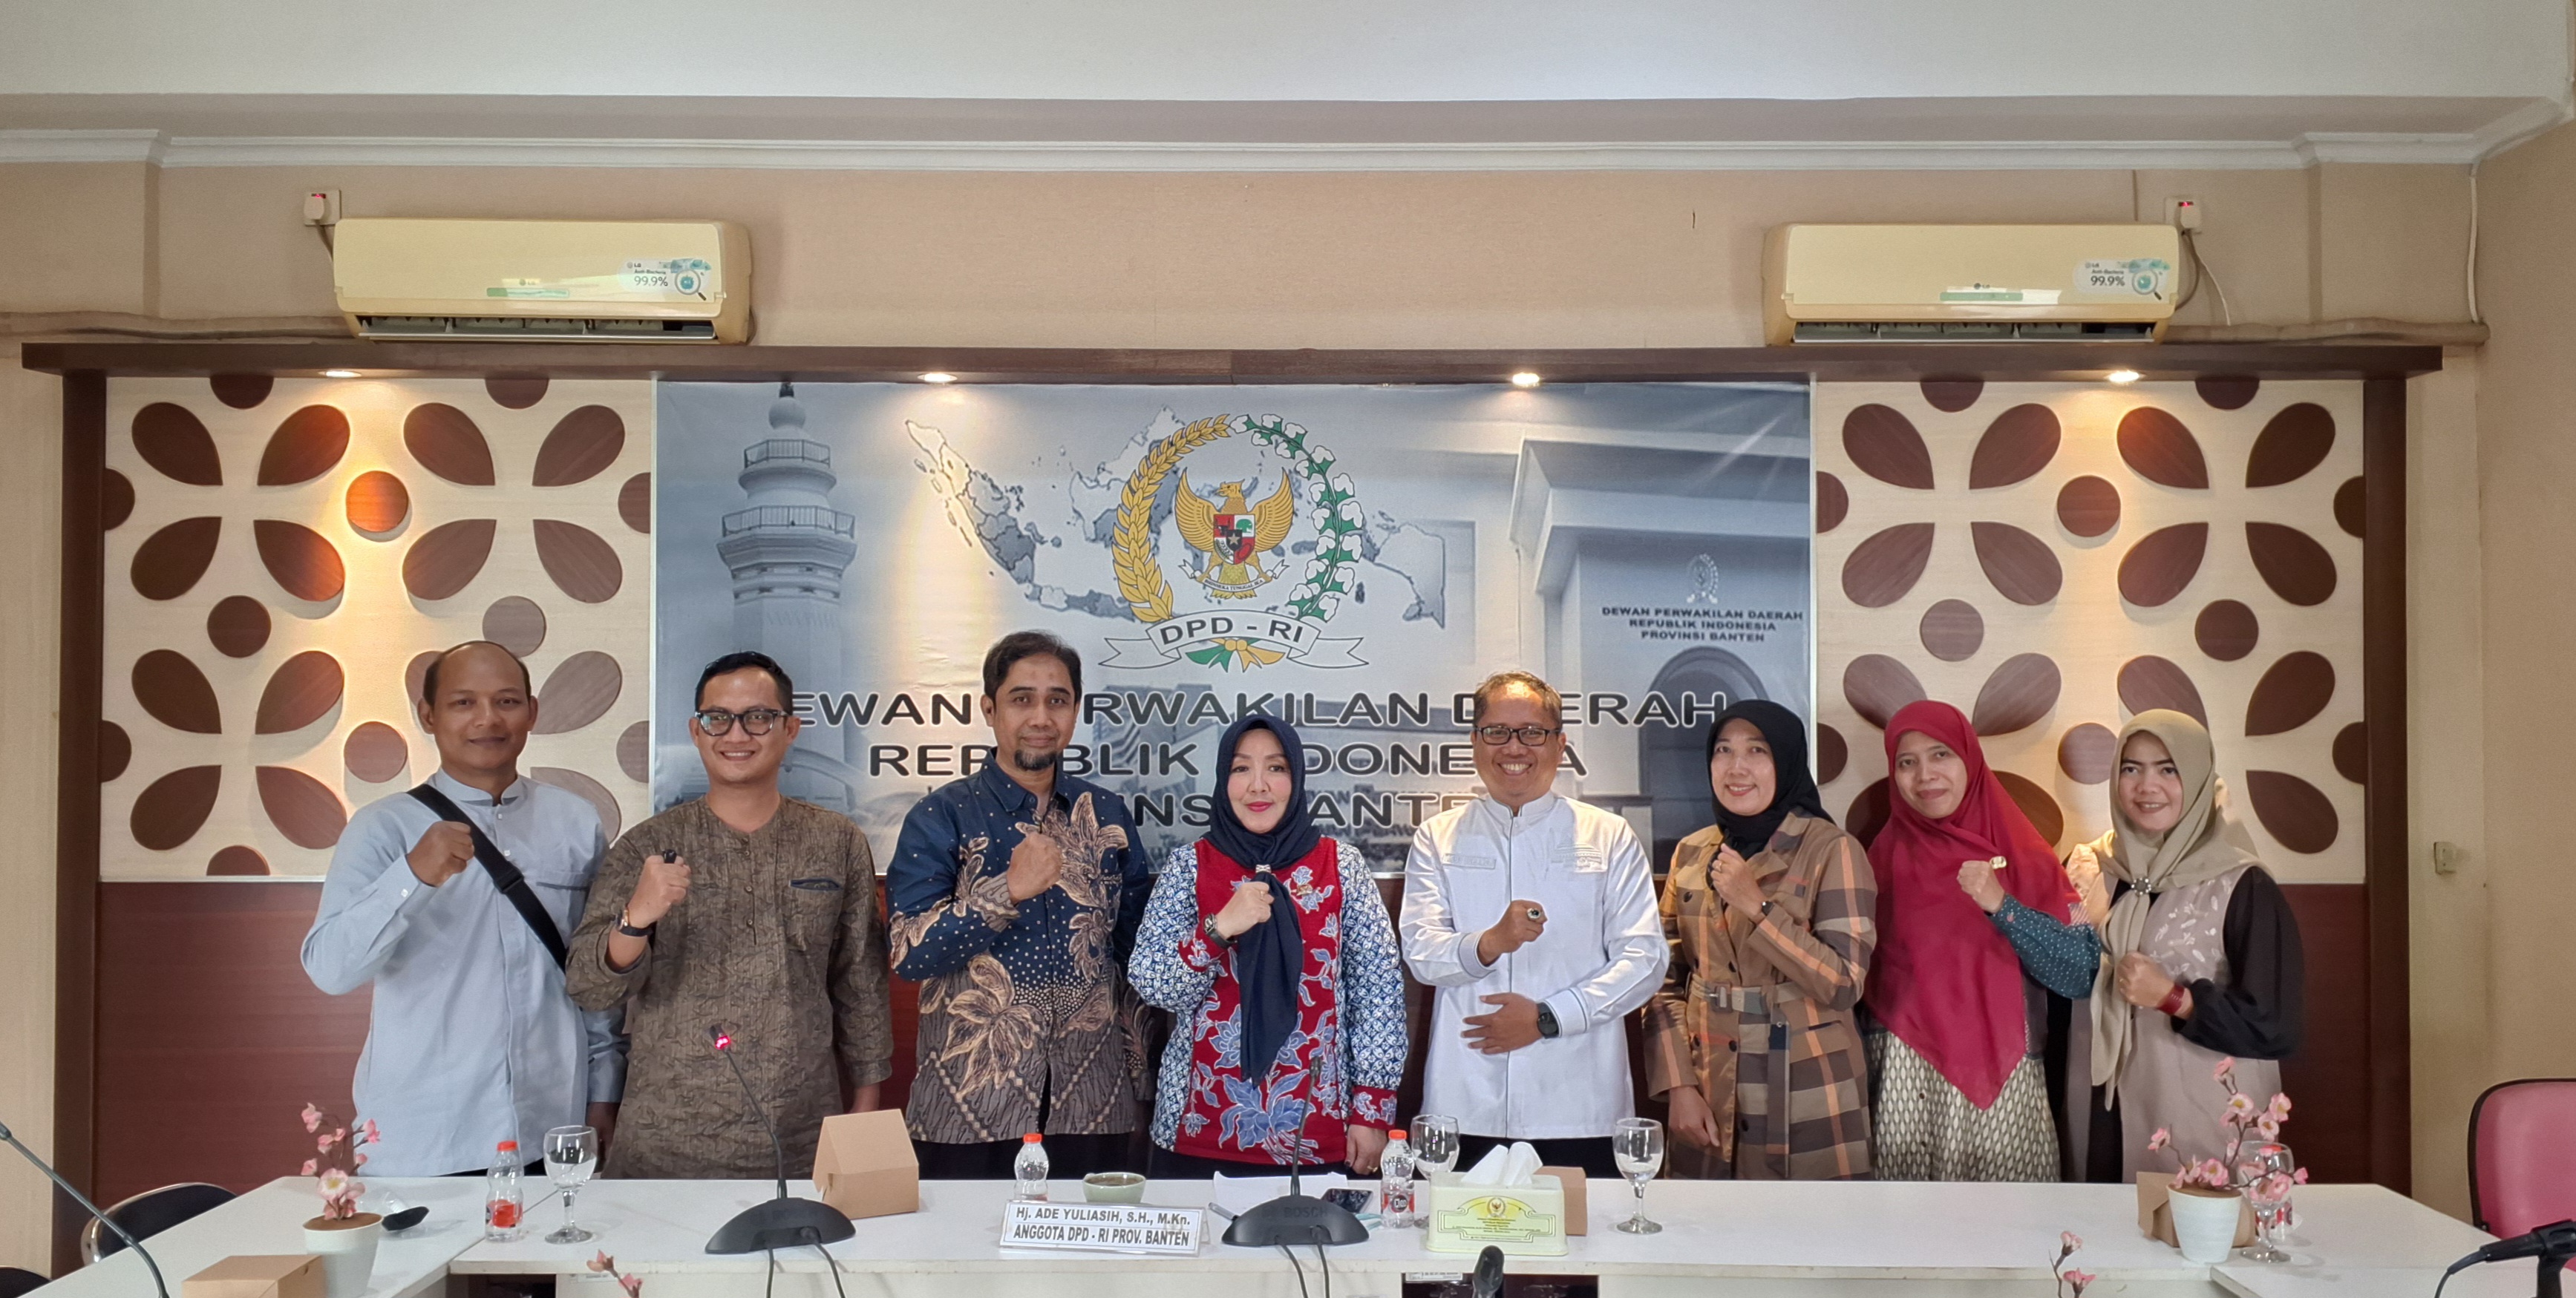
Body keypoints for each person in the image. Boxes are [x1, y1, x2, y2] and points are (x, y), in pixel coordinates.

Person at [565, 652, 892, 1179]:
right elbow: (589, 985)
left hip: (801, 1130)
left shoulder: (837, 842)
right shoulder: (648, 846)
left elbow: (861, 979)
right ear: (696, 731)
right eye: (718, 718)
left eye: (758, 717)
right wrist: (637, 916)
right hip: (666, 1138)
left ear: (790, 729)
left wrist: (867, 1100)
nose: (737, 734)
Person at [301, 640, 623, 1176]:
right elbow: (331, 969)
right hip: (425, 1138)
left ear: (532, 712)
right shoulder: (382, 828)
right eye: (463, 702)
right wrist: (412, 876)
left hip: (551, 1127)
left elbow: (596, 975)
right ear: (428, 715)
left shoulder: (576, 822)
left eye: (506, 701)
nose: (487, 719)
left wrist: (605, 1090)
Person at [889, 632, 1154, 1178]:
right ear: (990, 709)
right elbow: (910, 953)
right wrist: (1004, 892)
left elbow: (1135, 958)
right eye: (1021, 699)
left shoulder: (1106, 815)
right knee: (966, 1237)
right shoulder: (942, 816)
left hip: (1091, 1106)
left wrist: (1140, 1085)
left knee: (1087, 1237)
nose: (1041, 716)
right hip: (968, 1106)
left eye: (1057, 700)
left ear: (1075, 710)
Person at [1399, 670, 1666, 1179]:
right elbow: (1422, 952)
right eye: (1497, 731)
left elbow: (1644, 960)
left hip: (1579, 1105)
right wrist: (1489, 943)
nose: (1514, 747)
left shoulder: (1608, 835)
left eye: (1532, 732)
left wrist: (1548, 1017)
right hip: (1464, 1104)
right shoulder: (1439, 836)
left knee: (1584, 1229)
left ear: (1560, 744)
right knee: (1458, 1231)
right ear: (1475, 742)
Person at [1131, 716, 1407, 1178]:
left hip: (1320, 1131)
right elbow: (1156, 988)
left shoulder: (1341, 866)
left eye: (1276, 768)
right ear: (1223, 781)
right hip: (1200, 1129)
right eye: (1241, 769)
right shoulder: (1189, 866)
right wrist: (1218, 930)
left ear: (1296, 779)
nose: (1258, 785)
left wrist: (1372, 1111)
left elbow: (1378, 994)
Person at [1863, 701, 2098, 1181]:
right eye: (1907, 762)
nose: (1925, 775)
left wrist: (2002, 906)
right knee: (1906, 1222)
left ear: (1969, 759)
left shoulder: (2024, 854)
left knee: (2009, 1221)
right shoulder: (1878, 861)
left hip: (2005, 1073)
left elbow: (2081, 971)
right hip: (1904, 1079)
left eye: (1941, 754)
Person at [1642, 700, 1876, 1180]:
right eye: (1723, 750)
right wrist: (1679, 1085)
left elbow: (1844, 983)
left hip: (1805, 1084)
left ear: (1786, 761)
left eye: (1757, 751)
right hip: (1710, 1084)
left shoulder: (1832, 849)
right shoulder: (1692, 852)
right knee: (1705, 1222)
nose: (1737, 767)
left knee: (1809, 1222)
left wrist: (1758, 907)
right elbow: (1662, 982)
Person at [2076, 709, 2304, 1182]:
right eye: (2131, 768)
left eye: (2168, 769)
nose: (2147, 787)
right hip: (2099, 1111)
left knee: (2193, 1225)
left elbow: (2275, 1026)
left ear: (2199, 777)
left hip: (2198, 1121)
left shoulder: (2243, 884)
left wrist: (2173, 998)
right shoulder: (2092, 868)